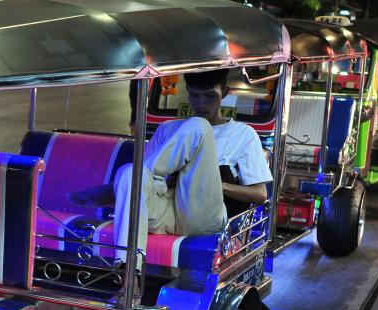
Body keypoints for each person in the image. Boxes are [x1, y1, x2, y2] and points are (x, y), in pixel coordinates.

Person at [71, 69, 272, 255]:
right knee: (128, 172)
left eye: (210, 96)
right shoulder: (167, 129)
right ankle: (127, 268)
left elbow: (260, 194)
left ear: (225, 93)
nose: (201, 104)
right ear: (187, 92)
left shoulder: (243, 134)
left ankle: (140, 184)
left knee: (199, 127)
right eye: (195, 95)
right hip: (165, 208)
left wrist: (217, 185)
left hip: (203, 216)